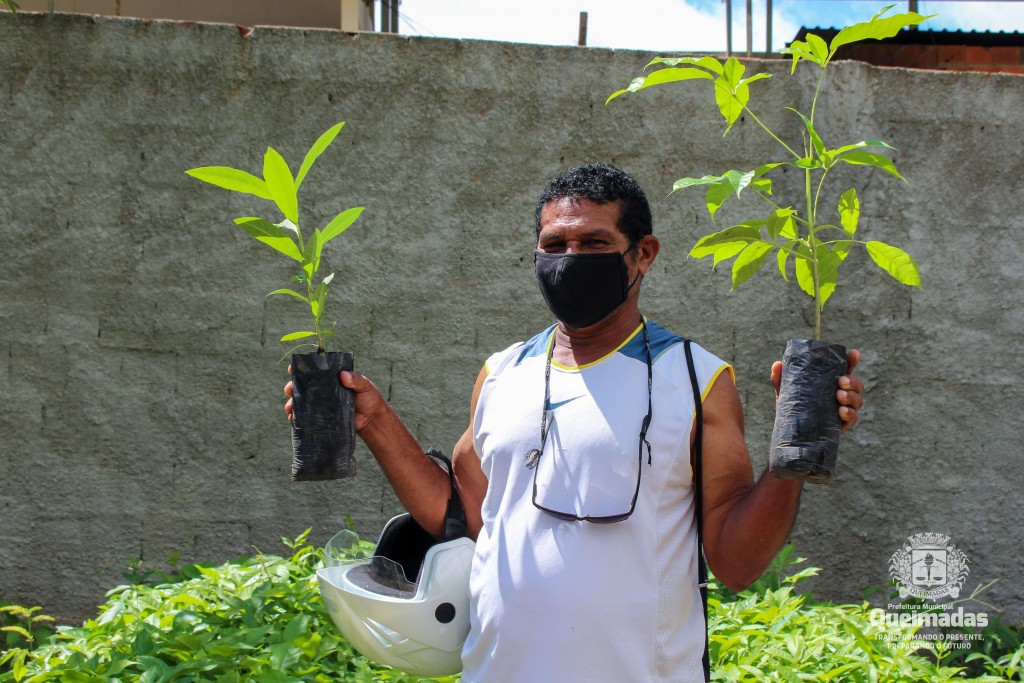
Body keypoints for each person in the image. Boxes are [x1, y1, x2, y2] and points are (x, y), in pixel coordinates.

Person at [285, 162, 864, 682]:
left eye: (594, 242)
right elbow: (469, 519)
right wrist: (375, 420)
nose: (570, 260)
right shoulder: (502, 372)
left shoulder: (696, 380)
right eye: (554, 244)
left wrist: (793, 455)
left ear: (643, 254)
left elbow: (737, 564)